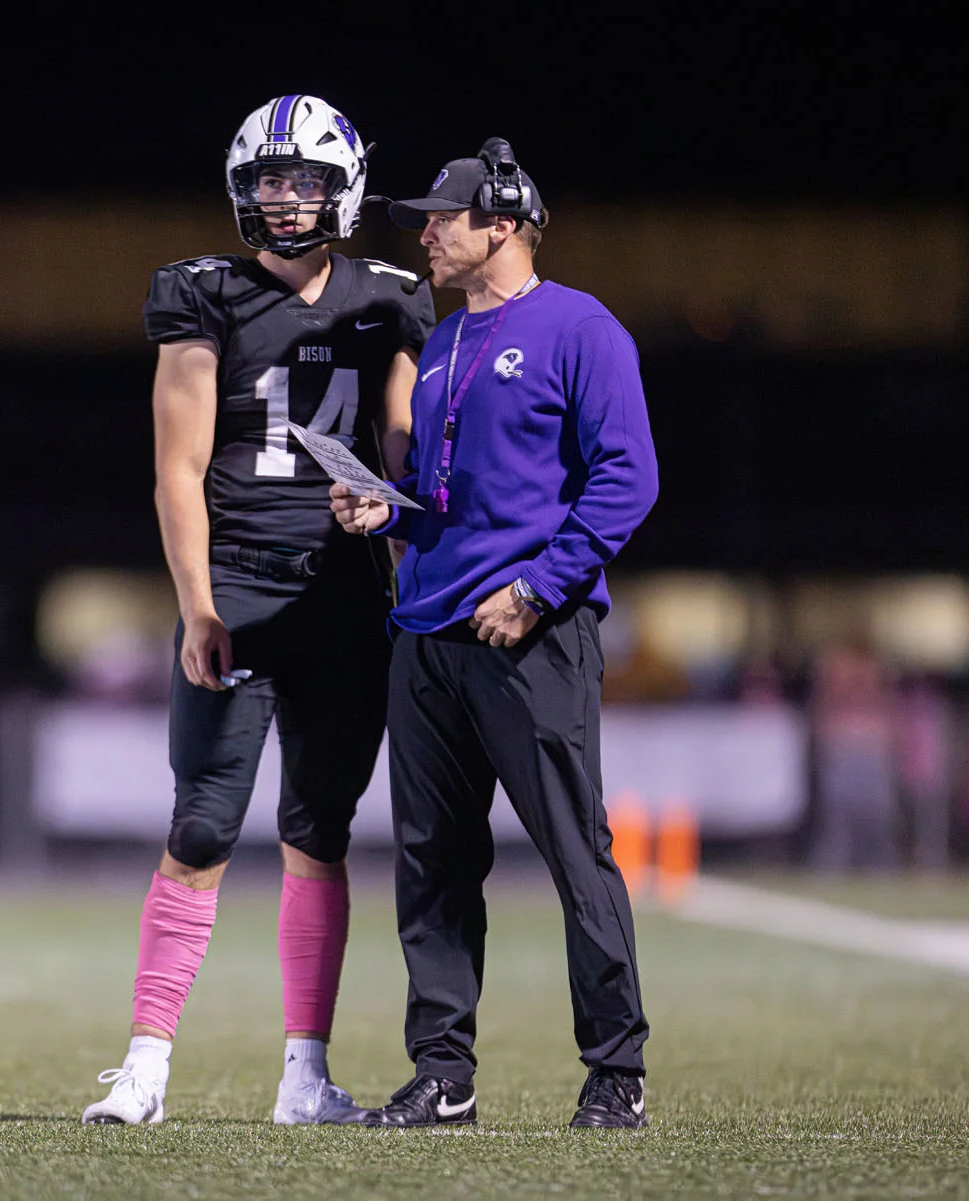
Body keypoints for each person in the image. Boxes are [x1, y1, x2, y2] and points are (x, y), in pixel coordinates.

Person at [81, 94, 435, 1127]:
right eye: (268, 181)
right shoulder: (203, 295)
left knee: (319, 830)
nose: (285, 199)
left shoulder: (392, 298)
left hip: (341, 588)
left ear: (344, 189)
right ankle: (146, 1066)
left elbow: (404, 447)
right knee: (200, 824)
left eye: (305, 180)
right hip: (236, 581)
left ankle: (305, 1076)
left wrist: (390, 503)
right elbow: (176, 469)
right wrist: (197, 604)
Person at [329, 138, 659, 1130]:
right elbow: (445, 500)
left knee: (575, 850)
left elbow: (627, 478)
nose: (423, 233)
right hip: (426, 634)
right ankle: (444, 1073)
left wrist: (537, 589)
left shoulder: (580, 327)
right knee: (430, 865)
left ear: (503, 226)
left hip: (530, 633)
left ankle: (616, 1074)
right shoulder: (440, 346)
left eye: (442, 217)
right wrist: (386, 512)